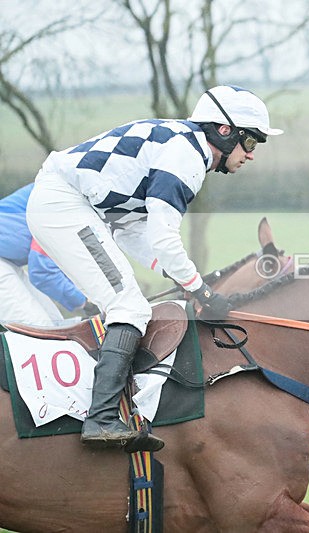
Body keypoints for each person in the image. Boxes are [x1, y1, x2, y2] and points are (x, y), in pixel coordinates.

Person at [26, 85, 283, 452]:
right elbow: (163, 238)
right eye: (251, 142)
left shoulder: (180, 144)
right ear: (225, 131)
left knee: (129, 304)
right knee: (129, 307)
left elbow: (131, 228)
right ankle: (100, 419)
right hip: (63, 205)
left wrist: (184, 279)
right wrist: (200, 290)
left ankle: (106, 408)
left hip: (69, 204)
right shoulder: (186, 158)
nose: (251, 155)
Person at [0, 183, 95, 326]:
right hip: (6, 262)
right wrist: (87, 304)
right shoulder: (61, 202)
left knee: (55, 325)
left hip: (7, 261)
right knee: (39, 329)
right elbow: (42, 272)